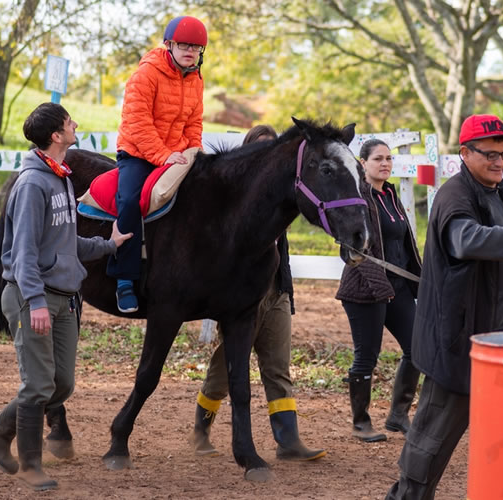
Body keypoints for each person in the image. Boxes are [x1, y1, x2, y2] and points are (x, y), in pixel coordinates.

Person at [385, 114, 503, 499]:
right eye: (489, 154)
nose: (499, 162)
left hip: (498, 345)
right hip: (457, 344)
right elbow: (468, 240)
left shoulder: (497, 189)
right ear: (464, 153)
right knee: (430, 442)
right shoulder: (456, 194)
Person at [0, 102, 131, 491]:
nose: (75, 125)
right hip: (36, 297)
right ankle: (31, 464)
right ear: (55, 135)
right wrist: (35, 301)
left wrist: (108, 244)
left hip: (64, 296)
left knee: (61, 384)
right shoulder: (33, 186)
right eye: (69, 122)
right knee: (38, 385)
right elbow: (25, 252)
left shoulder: (61, 178)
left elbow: (66, 242)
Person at [191, 124, 325, 461]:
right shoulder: (234, 208)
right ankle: (201, 428)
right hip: (239, 299)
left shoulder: (283, 201)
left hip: (276, 291)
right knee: (223, 373)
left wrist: (287, 291)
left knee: (278, 368)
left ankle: (288, 441)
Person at [108, 15, 207, 313]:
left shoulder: (196, 79)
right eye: (184, 45)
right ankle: (124, 279)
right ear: (169, 45)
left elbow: (194, 123)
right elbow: (137, 124)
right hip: (137, 152)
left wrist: (194, 153)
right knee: (128, 200)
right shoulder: (145, 75)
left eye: (196, 47)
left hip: (175, 153)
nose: (190, 51)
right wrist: (162, 155)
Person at [336, 139, 422, 442]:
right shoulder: (355, 198)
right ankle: (361, 422)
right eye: (377, 159)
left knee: (417, 349)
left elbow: (406, 243)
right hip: (364, 290)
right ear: (362, 164)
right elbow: (350, 250)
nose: (385, 164)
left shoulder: (390, 194)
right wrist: (380, 285)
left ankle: (398, 415)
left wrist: (420, 283)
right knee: (366, 357)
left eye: (388, 159)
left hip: (397, 288)